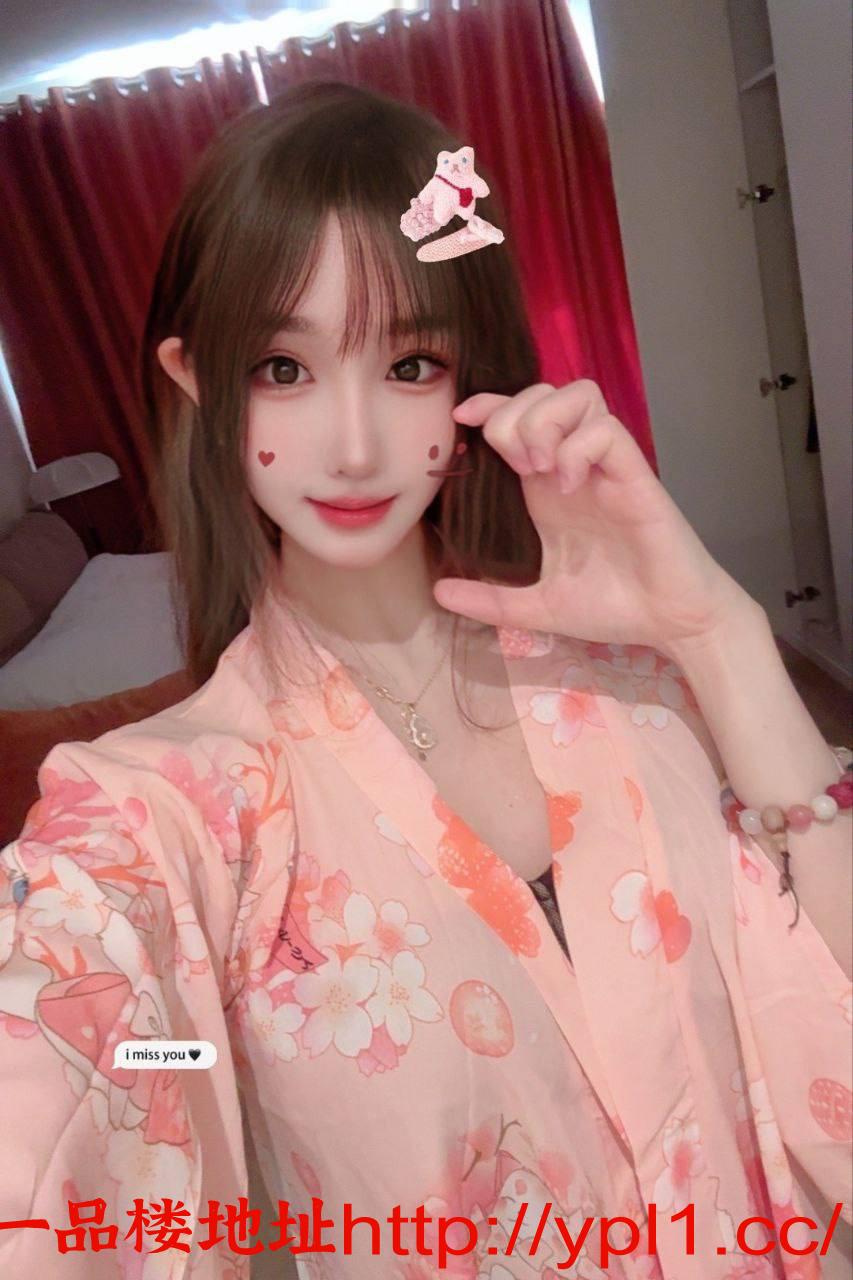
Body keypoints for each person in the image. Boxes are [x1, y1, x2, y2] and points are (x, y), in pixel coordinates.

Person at [1, 79, 850, 1280]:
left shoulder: (638, 684)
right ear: (197, 379)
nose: (353, 445)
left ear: (469, 381)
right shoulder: (166, 802)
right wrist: (199, 1049)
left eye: (407, 362)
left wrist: (718, 629)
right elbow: (71, 1058)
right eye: (283, 368)